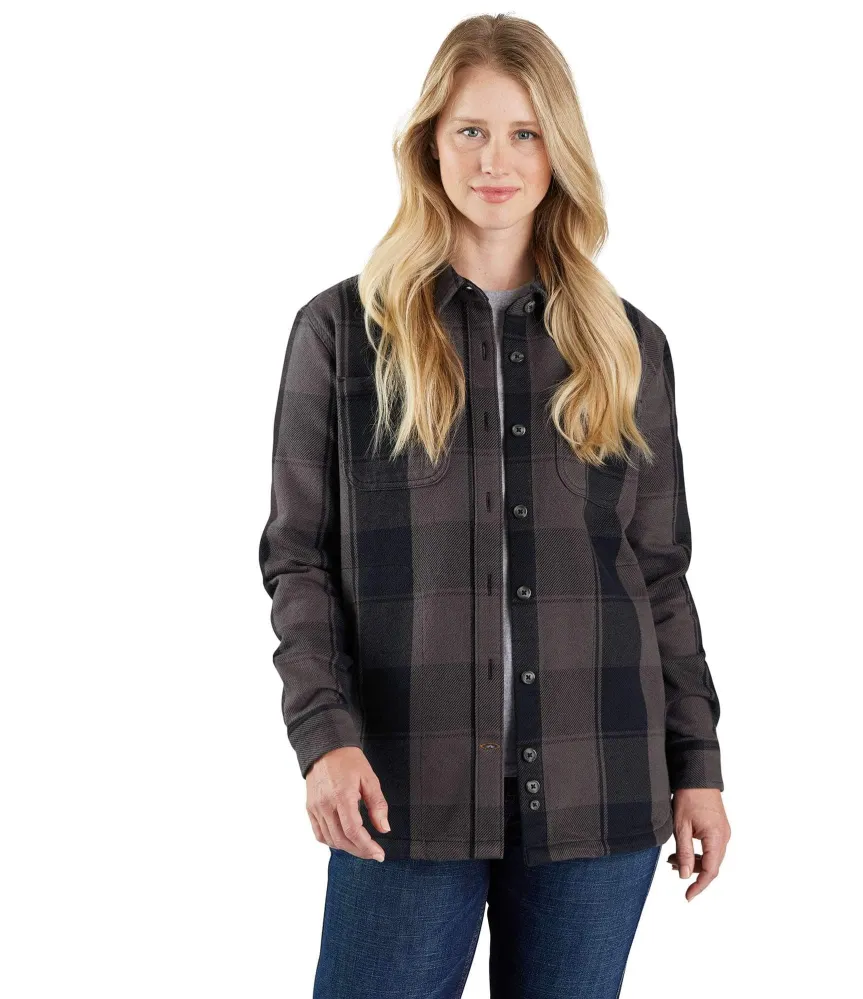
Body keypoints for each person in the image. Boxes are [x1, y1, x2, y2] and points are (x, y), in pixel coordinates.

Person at [258, 13, 731, 998]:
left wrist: (699, 762)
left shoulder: (628, 346)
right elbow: (299, 560)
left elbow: (658, 574)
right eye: (471, 130)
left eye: (525, 133)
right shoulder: (342, 334)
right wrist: (324, 735)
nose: (496, 160)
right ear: (430, 143)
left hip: (601, 791)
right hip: (403, 788)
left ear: (559, 151)